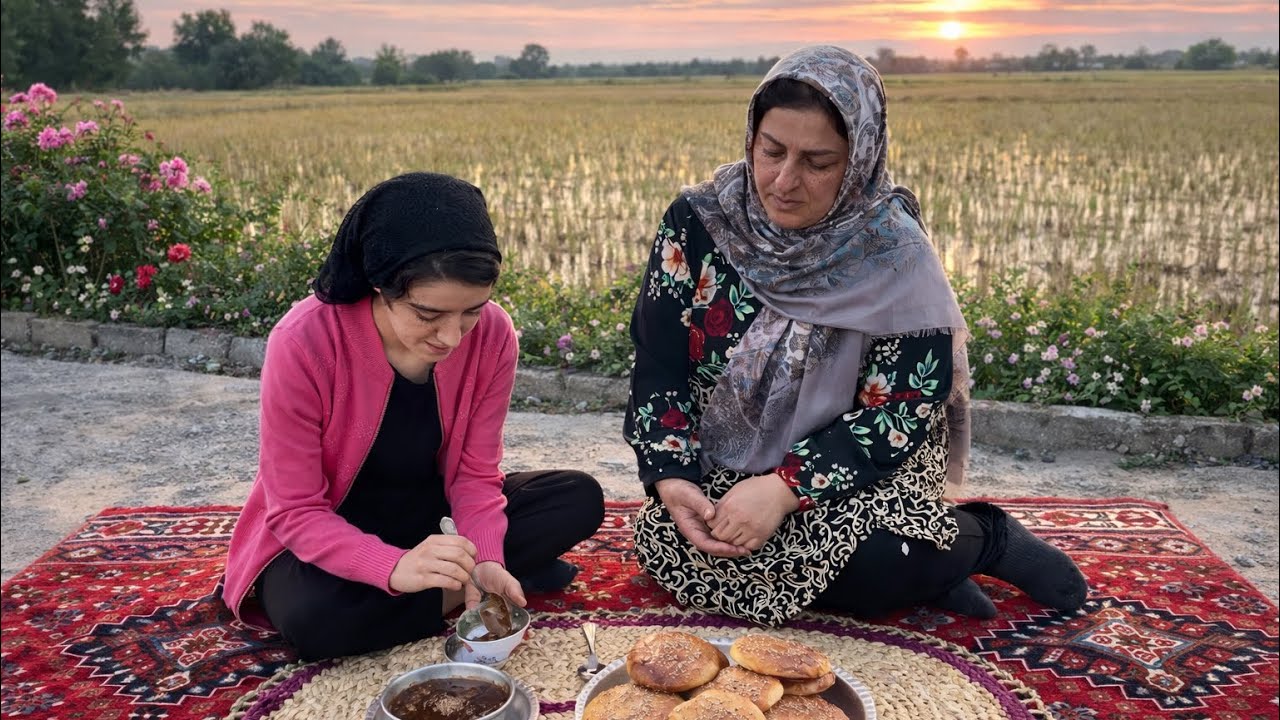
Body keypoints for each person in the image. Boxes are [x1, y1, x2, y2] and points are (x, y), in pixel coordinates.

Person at [625, 46, 1087, 626]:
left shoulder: (894, 249)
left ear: (860, 160)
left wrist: (785, 489)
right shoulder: (699, 221)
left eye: (817, 162)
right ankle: (934, 572)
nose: (784, 181)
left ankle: (982, 538)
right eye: (771, 151)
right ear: (751, 139)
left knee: (874, 563)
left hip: (859, 467)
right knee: (670, 544)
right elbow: (659, 362)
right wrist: (674, 479)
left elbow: (902, 409)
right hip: (724, 459)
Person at [221, 172, 604, 660]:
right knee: (315, 620)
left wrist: (485, 556)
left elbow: (474, 474)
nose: (452, 336)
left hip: (432, 518)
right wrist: (391, 566)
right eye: (427, 315)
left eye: (471, 311)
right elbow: (295, 511)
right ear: (379, 284)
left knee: (577, 498)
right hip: (329, 528)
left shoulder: (493, 334)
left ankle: (457, 582)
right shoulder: (303, 342)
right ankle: (449, 588)